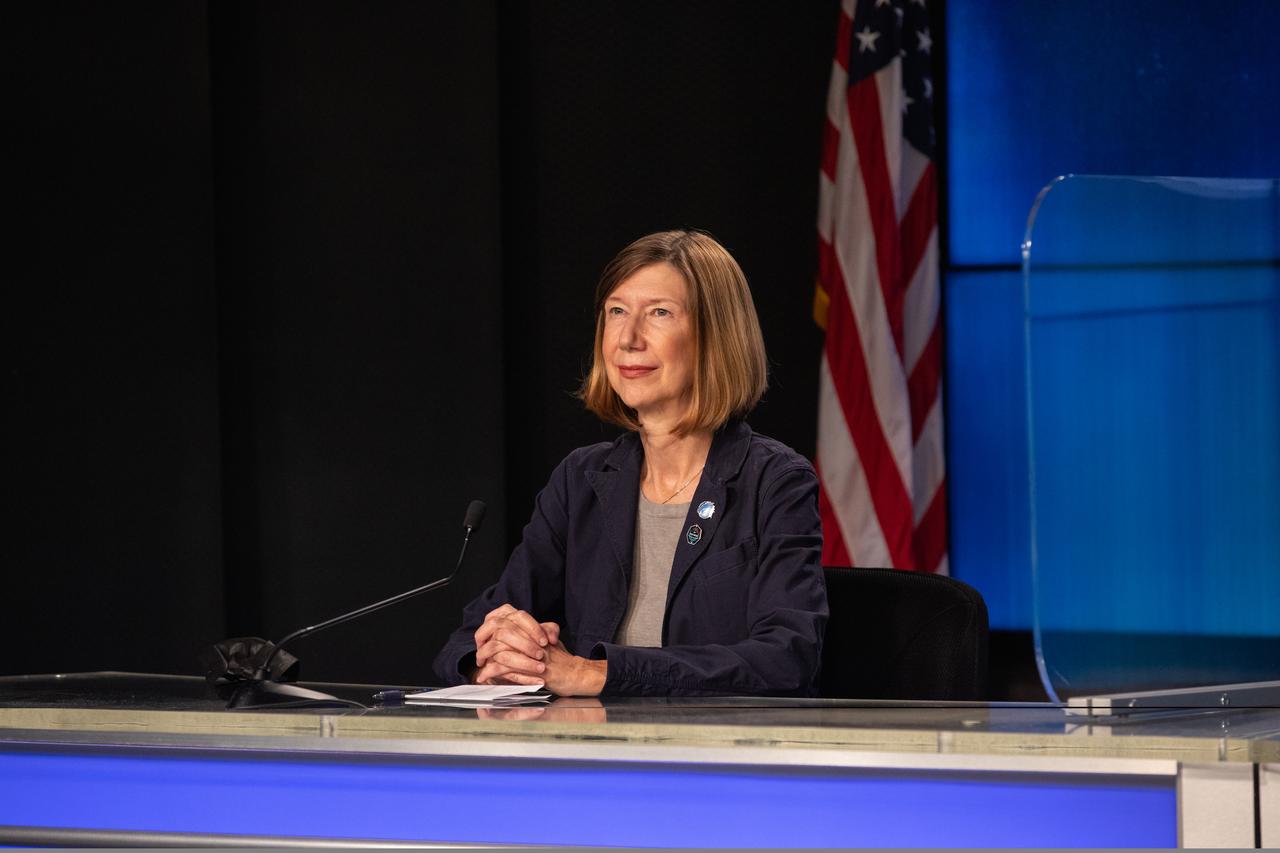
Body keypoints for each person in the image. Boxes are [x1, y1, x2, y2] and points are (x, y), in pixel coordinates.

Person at [433, 230, 827, 696]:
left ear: (716, 335)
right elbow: (468, 638)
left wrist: (594, 674)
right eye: (616, 312)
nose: (628, 338)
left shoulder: (774, 480)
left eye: (659, 313)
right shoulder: (581, 479)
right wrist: (497, 660)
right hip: (591, 758)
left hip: (716, 759)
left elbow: (786, 657)